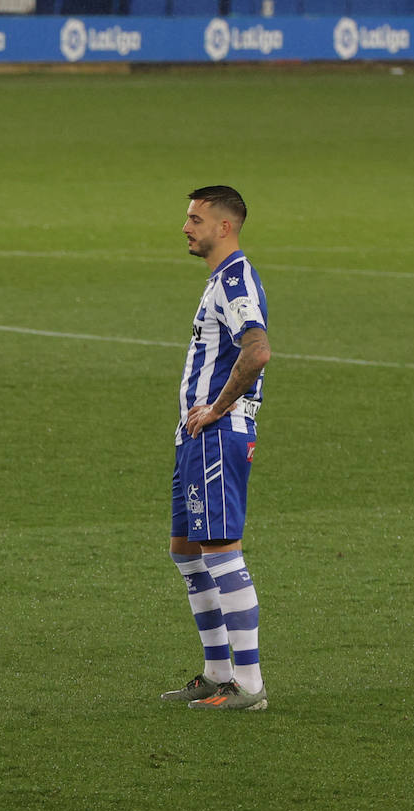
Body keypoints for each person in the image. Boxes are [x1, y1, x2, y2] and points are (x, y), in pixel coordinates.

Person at [161, 186, 272, 711]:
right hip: (195, 439)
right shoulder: (218, 282)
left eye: (195, 218)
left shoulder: (236, 281)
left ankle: (249, 686)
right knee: (185, 551)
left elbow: (257, 352)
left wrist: (218, 407)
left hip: (217, 436)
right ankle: (216, 672)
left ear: (223, 226)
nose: (186, 227)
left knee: (222, 551)